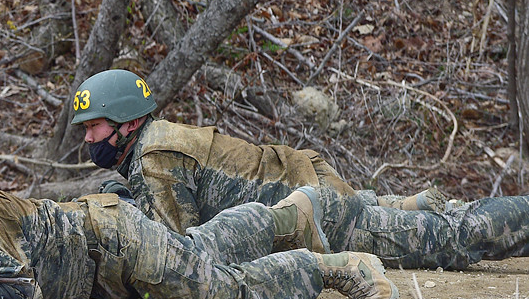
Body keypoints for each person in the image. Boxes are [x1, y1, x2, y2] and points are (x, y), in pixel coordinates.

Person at [0, 119, 400, 299]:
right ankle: (285, 219)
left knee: (220, 298)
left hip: (114, 243)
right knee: (197, 251)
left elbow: (19, 297)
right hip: (101, 266)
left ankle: (333, 267)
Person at [71, 69, 529, 271]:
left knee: (452, 239)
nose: (88, 139)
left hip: (314, 209)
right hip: (305, 184)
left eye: (94, 127)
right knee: (425, 223)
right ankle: (396, 203)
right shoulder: (155, 141)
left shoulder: (153, 160)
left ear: (128, 121)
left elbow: (181, 255)